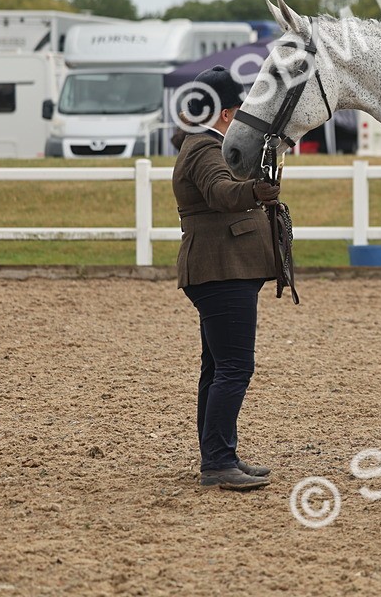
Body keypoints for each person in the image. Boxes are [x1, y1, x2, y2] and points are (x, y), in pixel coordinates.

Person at [172, 66, 281, 491]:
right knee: (234, 367)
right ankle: (218, 461)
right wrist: (257, 190)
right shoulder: (204, 148)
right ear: (225, 113)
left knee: (217, 367)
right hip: (222, 270)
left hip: (222, 268)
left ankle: (218, 453)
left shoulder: (199, 143)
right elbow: (221, 193)